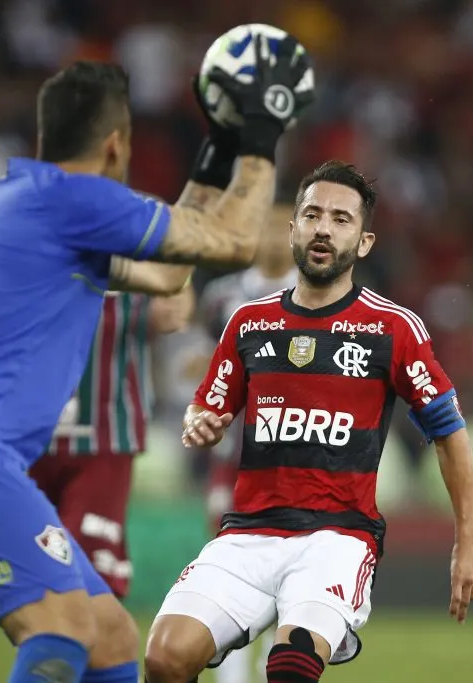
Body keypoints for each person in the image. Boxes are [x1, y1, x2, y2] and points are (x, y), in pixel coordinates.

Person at [0, 35, 314, 683]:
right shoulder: (76, 202)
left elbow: (167, 274)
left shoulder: (25, 203)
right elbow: (236, 241)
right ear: (114, 145)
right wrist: (263, 130)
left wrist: (216, 147)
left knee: (109, 635)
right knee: (62, 625)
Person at [143, 161, 473, 683]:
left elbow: (448, 432)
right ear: (293, 230)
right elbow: (207, 404)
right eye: (312, 214)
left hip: (337, 538)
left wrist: (470, 540)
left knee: (290, 669)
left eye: (341, 219)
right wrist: (202, 422)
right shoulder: (248, 321)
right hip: (248, 533)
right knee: (164, 658)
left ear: (364, 242)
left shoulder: (392, 328)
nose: (324, 227)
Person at [30, 286, 195, 600]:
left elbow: (173, 312)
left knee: (89, 576)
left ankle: (80, 645)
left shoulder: (136, 253)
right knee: (36, 573)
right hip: (32, 440)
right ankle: (54, 645)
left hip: (104, 437)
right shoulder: (28, 253)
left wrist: (174, 281)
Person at [199, 202, 299, 683]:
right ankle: (233, 670)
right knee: (229, 560)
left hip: (296, 454)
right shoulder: (223, 297)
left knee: (292, 561)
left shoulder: (315, 293)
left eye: (286, 230)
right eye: (269, 229)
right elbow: (209, 362)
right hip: (235, 456)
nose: (278, 241)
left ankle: (270, 664)